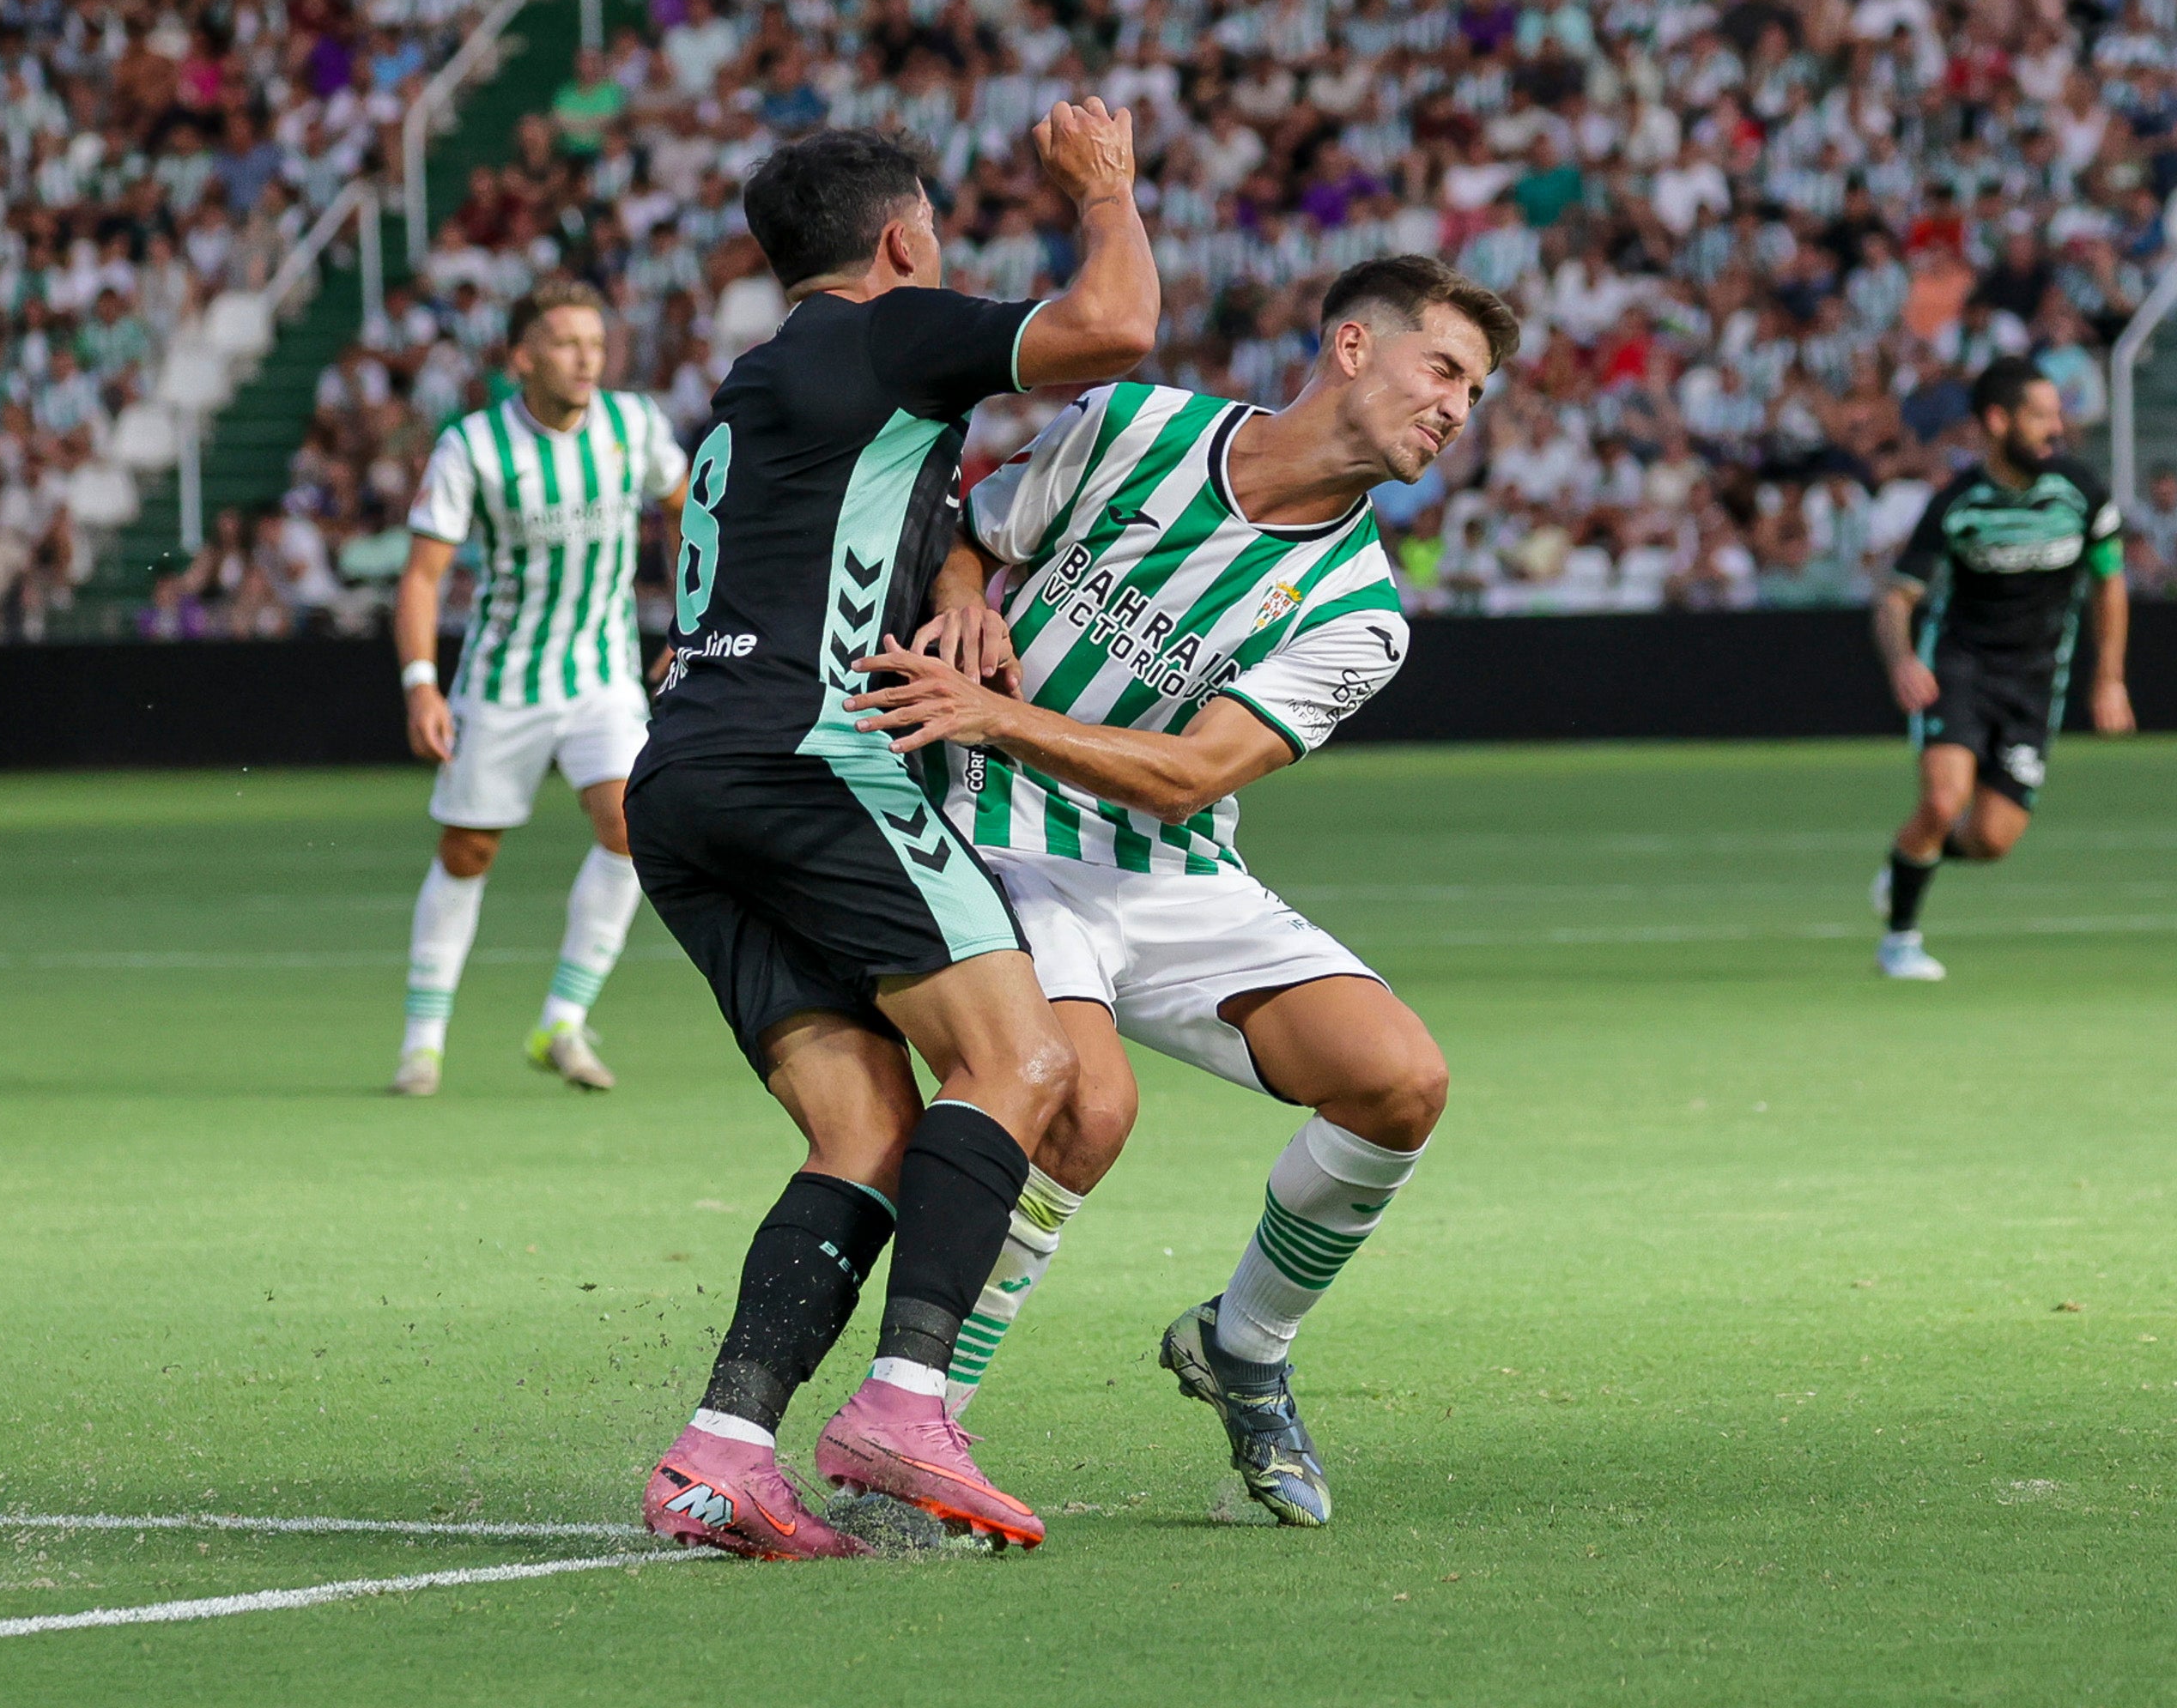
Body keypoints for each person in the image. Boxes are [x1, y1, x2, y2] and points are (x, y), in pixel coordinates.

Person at [843, 255, 1514, 1527]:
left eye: (1476, 395)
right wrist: (960, 601)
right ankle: (916, 1437)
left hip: (1168, 862)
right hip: (995, 827)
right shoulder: (1131, 423)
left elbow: (1194, 774)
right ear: (1354, 346)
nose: (1457, 409)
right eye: (1445, 369)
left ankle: (1243, 1347)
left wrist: (993, 708)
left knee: (1399, 1083)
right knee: (1085, 1108)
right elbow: (972, 542)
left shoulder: (1364, 611)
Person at [628, 110, 1157, 1560]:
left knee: (867, 1130)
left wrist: (965, 570)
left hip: (690, 779)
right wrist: (1105, 193)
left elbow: (886, 521)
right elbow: (1115, 325)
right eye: (934, 227)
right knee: (1023, 1061)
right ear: (904, 240)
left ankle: (725, 1447)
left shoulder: (760, 380)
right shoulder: (891, 330)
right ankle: (906, 1401)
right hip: (814, 758)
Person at [389, 277, 691, 1096]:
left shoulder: (634, 425)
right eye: (566, 343)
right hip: (503, 680)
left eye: (595, 344)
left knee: (633, 827)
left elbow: (690, 504)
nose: (587, 358)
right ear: (522, 357)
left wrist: (690, 615)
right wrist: (423, 686)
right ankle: (423, 1041)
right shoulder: (473, 447)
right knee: (468, 849)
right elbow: (422, 578)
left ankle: (563, 1017)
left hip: (602, 676)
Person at [1869, 356, 2136, 980]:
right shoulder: (1958, 503)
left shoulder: (2081, 493)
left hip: (2036, 683)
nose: (2056, 428)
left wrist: (2110, 678)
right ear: (1997, 421)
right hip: (1958, 669)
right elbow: (1895, 596)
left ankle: (1911, 859)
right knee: (1943, 799)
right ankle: (1900, 942)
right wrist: (1903, 659)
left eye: (2057, 414)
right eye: (2041, 415)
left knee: (1991, 840)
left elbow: (2110, 582)